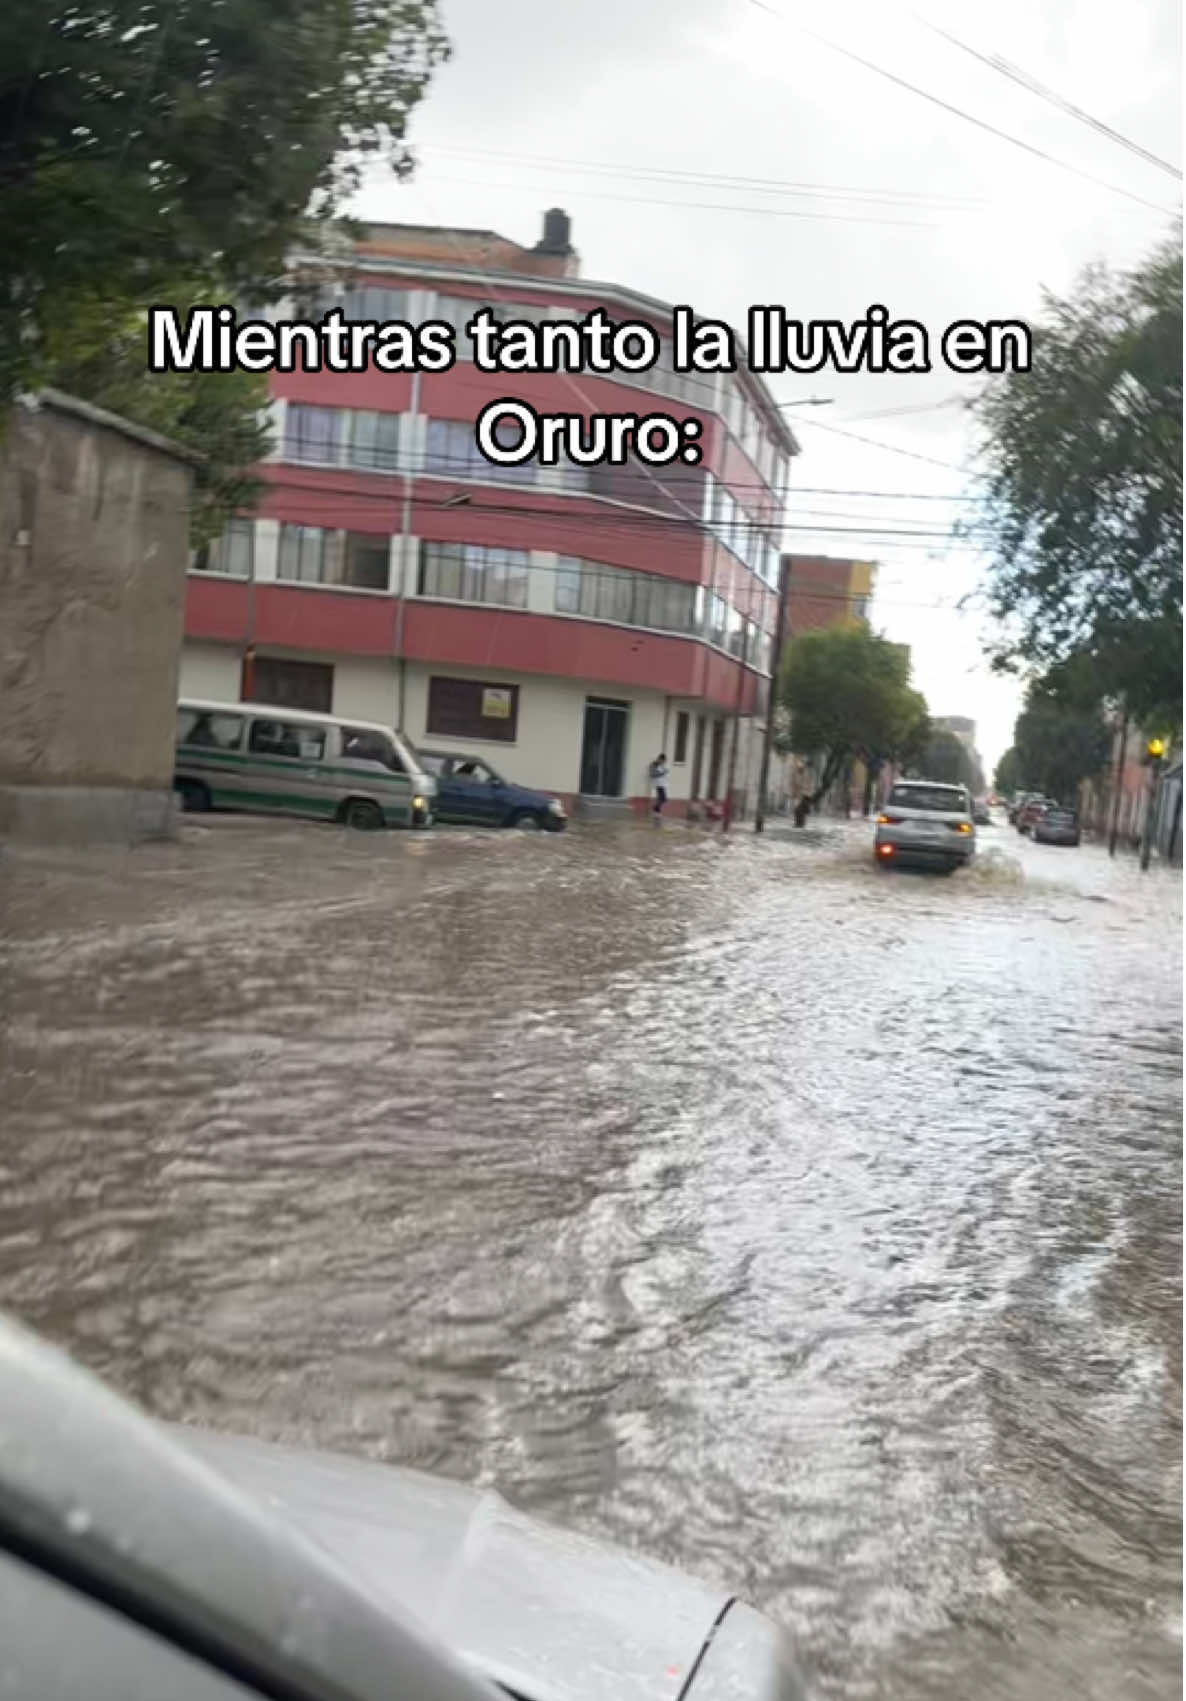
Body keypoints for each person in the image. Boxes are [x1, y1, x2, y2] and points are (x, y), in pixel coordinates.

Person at [648, 752, 669, 818]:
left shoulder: (661, 765)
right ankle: (655, 809)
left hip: (662, 784)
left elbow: (662, 773)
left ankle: (657, 812)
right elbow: (652, 774)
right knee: (663, 798)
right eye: (663, 760)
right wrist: (663, 773)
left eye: (664, 761)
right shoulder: (654, 764)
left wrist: (664, 772)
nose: (663, 762)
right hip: (658, 784)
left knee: (661, 798)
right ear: (660, 759)